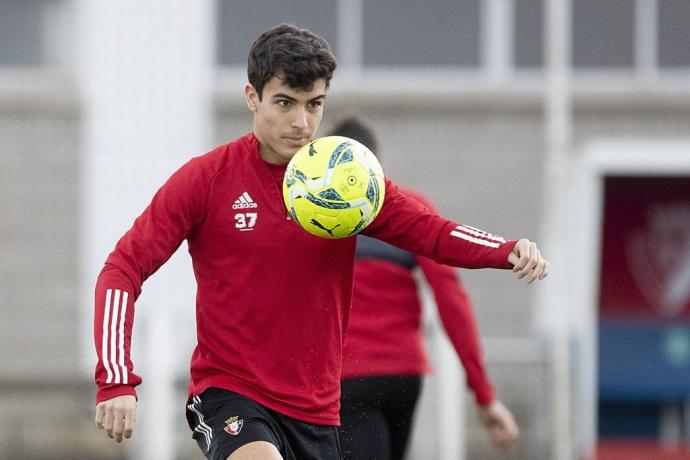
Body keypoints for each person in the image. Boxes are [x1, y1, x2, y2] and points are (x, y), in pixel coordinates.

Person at [92, 23, 549, 460]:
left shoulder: (349, 185)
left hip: (317, 411)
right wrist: (116, 379)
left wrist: (504, 249)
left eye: (314, 104)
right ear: (252, 98)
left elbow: (430, 231)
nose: (301, 122)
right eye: (286, 103)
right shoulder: (207, 180)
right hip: (230, 394)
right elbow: (122, 268)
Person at [329, 116, 519, 459]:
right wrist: (483, 394)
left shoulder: (315, 219)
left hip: (344, 378)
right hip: (402, 377)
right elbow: (452, 301)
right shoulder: (411, 211)